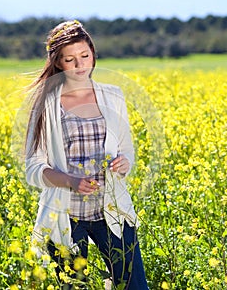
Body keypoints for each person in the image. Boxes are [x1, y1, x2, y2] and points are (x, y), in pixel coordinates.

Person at [25, 20, 149, 289]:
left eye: (84, 56)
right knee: (74, 287)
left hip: (113, 211)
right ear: (58, 63)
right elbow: (33, 168)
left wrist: (125, 163)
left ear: (93, 53)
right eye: (70, 59)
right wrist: (70, 180)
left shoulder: (113, 96)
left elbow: (126, 149)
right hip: (66, 216)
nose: (80, 65)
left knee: (135, 285)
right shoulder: (46, 104)